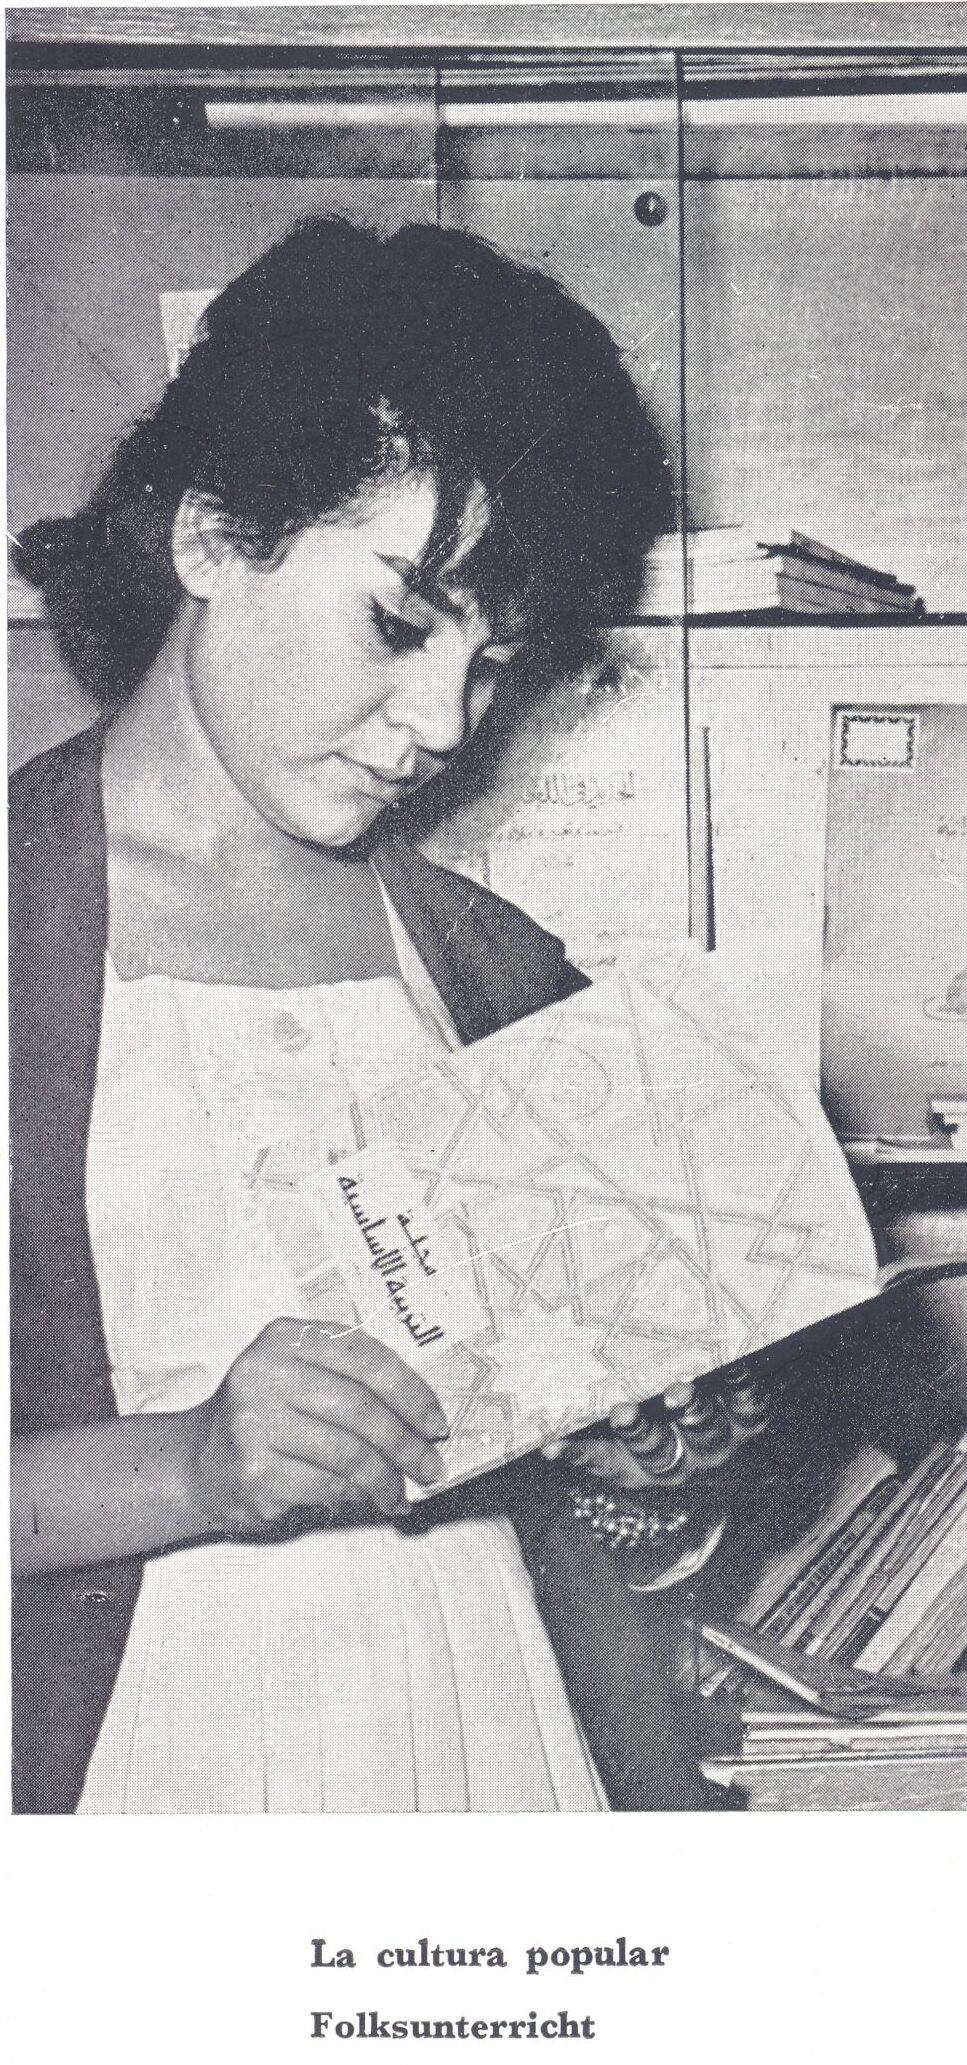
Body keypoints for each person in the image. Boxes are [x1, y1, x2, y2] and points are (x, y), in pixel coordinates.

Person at [8, 217, 721, 1812]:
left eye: (494, 662)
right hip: (132, 1775)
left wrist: (637, 1441)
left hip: (498, 1747)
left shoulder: (492, 965)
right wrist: (191, 1465)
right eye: (400, 623)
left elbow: (592, 1507)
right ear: (211, 537)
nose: (443, 722)